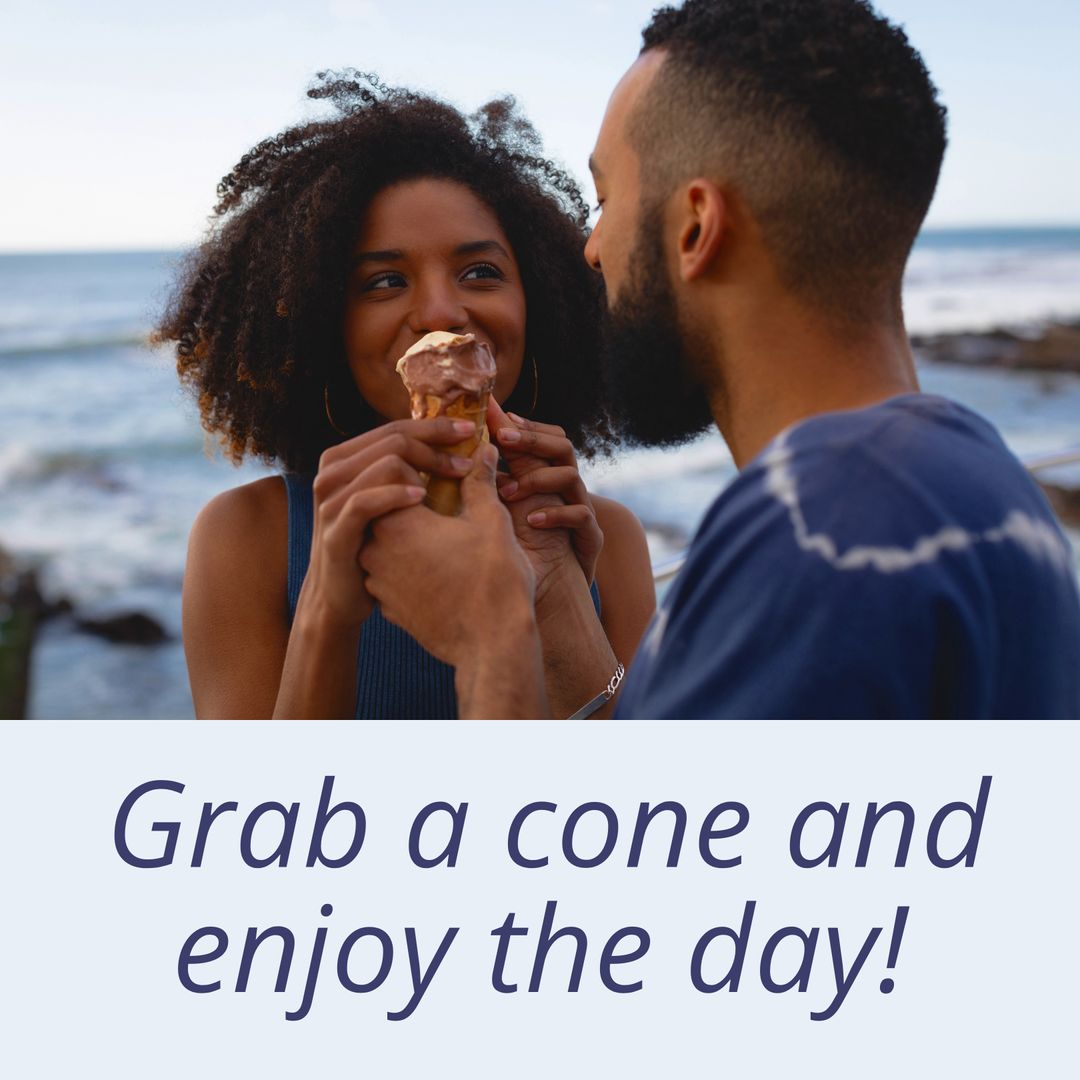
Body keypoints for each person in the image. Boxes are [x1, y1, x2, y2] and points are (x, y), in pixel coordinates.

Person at [358, 0, 1080, 719]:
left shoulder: (817, 537)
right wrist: (553, 597)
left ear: (697, 226)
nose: (592, 248)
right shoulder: (990, 490)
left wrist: (488, 637)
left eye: (607, 200)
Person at [156, 73, 655, 719]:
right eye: (384, 281)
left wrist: (557, 601)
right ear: (321, 323)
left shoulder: (599, 535)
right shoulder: (250, 537)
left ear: (539, 304)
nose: (443, 311)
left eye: (480, 272)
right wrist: (328, 608)